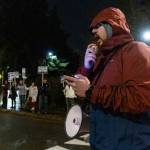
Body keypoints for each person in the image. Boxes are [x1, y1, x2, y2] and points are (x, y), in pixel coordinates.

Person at [64, 7, 150, 150]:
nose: (93, 31)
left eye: (98, 26)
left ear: (112, 25)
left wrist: (91, 91)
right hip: (101, 144)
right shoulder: (102, 61)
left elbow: (140, 98)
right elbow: (86, 94)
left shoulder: (136, 49)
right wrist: (87, 67)